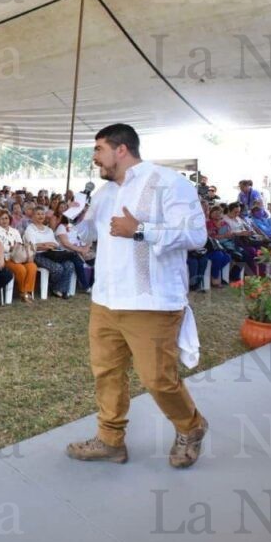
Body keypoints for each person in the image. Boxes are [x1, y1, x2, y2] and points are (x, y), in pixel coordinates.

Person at [66, 124, 208, 468]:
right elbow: (86, 235)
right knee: (107, 373)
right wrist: (74, 219)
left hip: (151, 302)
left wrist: (140, 230)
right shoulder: (104, 193)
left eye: (99, 149)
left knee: (158, 378)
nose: (94, 157)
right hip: (106, 300)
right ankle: (110, 439)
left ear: (121, 150)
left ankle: (191, 426)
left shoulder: (168, 183)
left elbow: (196, 234)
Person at [25, 207, 75, 298]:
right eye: (38, 214)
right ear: (33, 216)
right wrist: (45, 245)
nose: (41, 216)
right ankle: (55, 288)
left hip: (52, 254)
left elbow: (55, 244)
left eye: (42, 214)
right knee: (57, 268)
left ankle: (60, 289)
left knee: (69, 264)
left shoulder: (48, 229)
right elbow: (32, 245)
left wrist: (48, 245)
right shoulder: (30, 229)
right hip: (38, 255)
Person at [0, 210, 37, 304]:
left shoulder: (15, 231)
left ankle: (27, 290)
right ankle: (23, 293)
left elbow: (20, 243)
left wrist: (16, 247)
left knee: (32, 267)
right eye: (2, 219)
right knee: (21, 269)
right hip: (6, 258)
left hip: (19, 256)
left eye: (6, 218)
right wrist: (10, 247)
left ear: (9, 219)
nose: (4, 220)